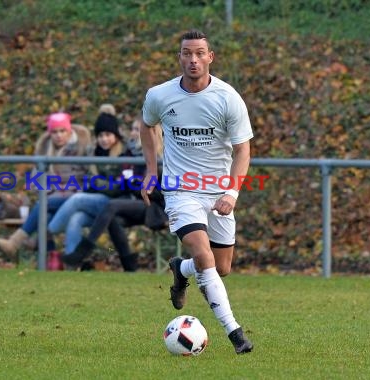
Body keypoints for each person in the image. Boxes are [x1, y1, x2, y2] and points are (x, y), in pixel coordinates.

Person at [139, 29, 254, 355]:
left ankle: (181, 269)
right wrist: (151, 171)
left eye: (199, 53)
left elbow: (243, 151)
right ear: (180, 58)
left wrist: (231, 193)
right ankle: (235, 334)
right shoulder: (160, 95)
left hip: (218, 192)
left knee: (221, 267)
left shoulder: (227, 97)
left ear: (210, 57)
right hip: (180, 190)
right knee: (203, 256)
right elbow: (146, 124)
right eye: (187, 53)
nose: (193, 59)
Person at [62, 116, 165, 272]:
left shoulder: (160, 158)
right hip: (131, 201)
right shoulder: (129, 154)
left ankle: (82, 251)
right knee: (111, 217)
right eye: (132, 129)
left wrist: (132, 184)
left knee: (111, 205)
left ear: (151, 132)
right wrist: (125, 183)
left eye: (137, 129)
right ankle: (129, 266)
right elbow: (121, 184)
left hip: (154, 206)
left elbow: (159, 194)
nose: (133, 133)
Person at [47, 108, 136, 269]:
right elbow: (90, 182)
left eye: (108, 135)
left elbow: (119, 188)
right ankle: (72, 267)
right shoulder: (93, 153)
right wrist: (100, 184)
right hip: (98, 203)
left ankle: (51, 229)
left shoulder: (124, 154)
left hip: (117, 204)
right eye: (101, 135)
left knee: (77, 199)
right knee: (76, 218)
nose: (104, 139)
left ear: (115, 136)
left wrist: (99, 184)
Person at [0, 112, 91, 257]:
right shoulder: (45, 150)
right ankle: (51, 260)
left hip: (77, 198)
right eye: (54, 132)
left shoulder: (82, 149)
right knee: (45, 217)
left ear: (69, 131)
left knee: (42, 205)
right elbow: (35, 180)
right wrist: (48, 190)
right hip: (54, 199)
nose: (58, 135)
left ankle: (15, 242)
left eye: (62, 131)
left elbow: (90, 176)